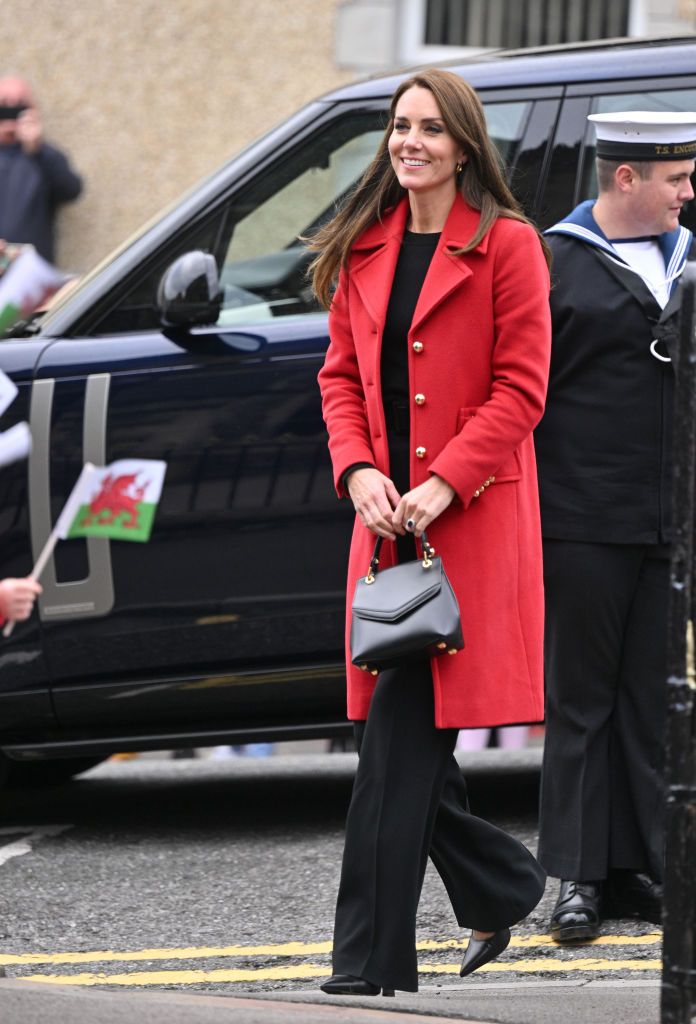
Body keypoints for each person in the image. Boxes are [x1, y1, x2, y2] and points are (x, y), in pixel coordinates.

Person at [311, 68, 551, 996]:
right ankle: (502, 881)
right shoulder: (362, 246)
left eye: (429, 129)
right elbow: (338, 381)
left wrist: (446, 482)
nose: (409, 142)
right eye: (399, 127)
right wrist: (360, 468)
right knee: (399, 744)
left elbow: (522, 390)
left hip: (468, 527)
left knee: (394, 752)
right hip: (383, 535)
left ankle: (364, 968)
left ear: (463, 145)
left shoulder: (509, 248)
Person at [534, 111, 696, 942]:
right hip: (582, 515)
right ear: (626, 177)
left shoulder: (689, 256)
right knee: (582, 701)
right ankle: (579, 879)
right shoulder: (553, 261)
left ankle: (643, 870)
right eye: (677, 178)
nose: (690, 191)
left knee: (652, 700)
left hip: (670, 517)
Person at [0, 76, 82, 264]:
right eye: (4, 106)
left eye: (19, 106)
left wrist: (38, 150)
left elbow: (71, 190)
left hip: (30, 275)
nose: (10, 113)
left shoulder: (43, 155)